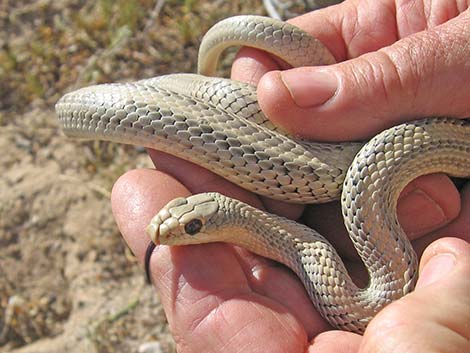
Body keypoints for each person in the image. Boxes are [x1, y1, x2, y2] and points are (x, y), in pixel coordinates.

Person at [111, 1, 470, 352]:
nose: (172, 233)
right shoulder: (300, 244)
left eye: (192, 227)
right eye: (192, 225)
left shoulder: (328, 231)